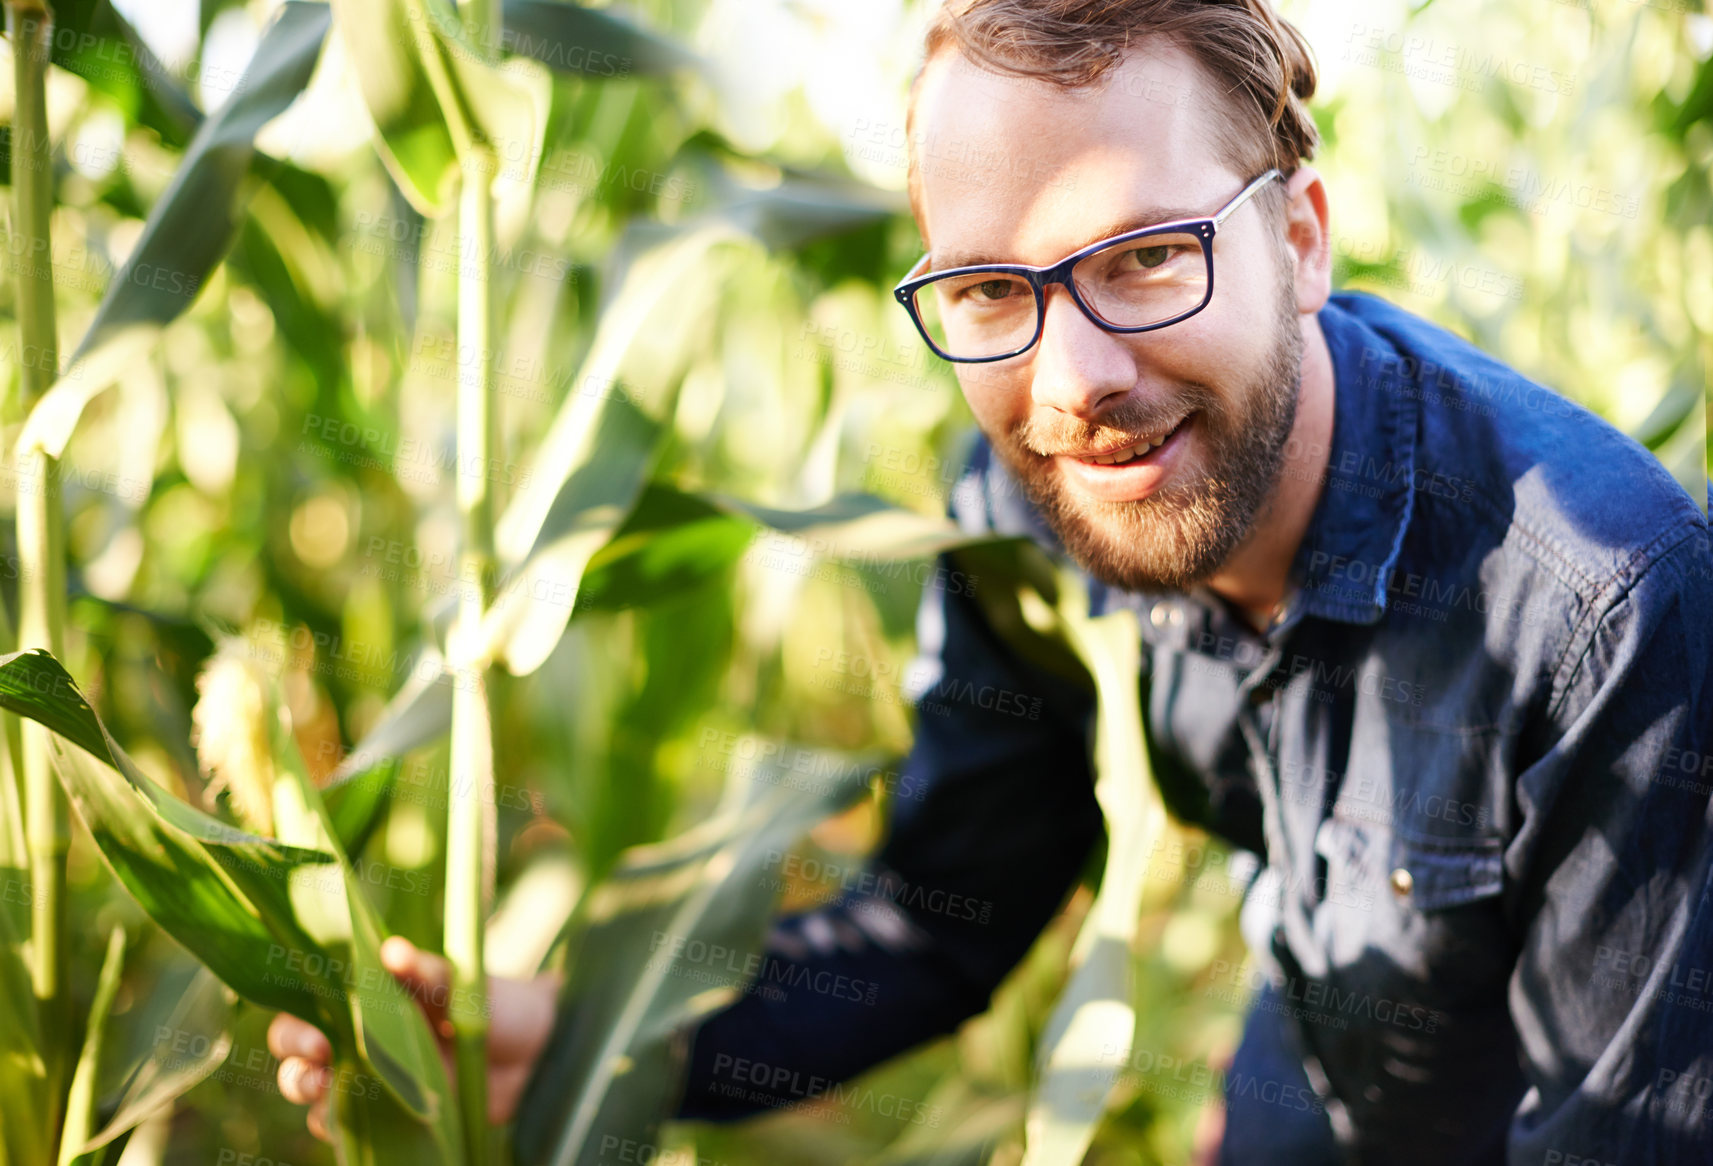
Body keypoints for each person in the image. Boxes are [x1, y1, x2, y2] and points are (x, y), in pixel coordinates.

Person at [271, 0, 1713, 1160]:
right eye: (986, 292)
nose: (1073, 380)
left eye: (1147, 259)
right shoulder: (1032, 510)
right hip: (1309, 1066)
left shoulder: (1606, 613)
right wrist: (579, 1038)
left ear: (1299, 237)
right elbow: (941, 917)